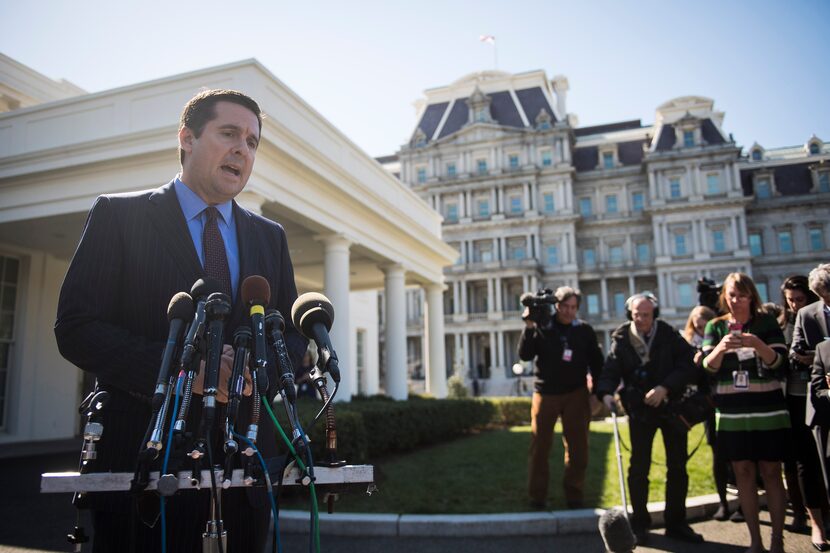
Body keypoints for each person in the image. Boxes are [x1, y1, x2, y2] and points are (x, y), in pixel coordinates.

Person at [55, 89, 307, 552]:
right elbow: (76, 327)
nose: (242, 149)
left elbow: (291, 335)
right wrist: (182, 371)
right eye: (229, 133)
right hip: (143, 471)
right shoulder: (118, 216)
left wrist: (261, 372)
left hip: (245, 474)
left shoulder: (269, 237)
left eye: (252, 142)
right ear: (186, 138)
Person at [596, 292, 702, 545]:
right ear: (629, 314)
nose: (641, 319)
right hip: (641, 411)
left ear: (654, 313)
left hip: (671, 406)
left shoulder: (668, 334)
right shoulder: (621, 339)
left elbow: (688, 364)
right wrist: (606, 393)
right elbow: (610, 370)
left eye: (646, 314)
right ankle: (640, 524)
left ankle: (676, 523)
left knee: (677, 465)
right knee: (638, 467)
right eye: (636, 315)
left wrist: (665, 387)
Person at [702, 272, 789, 553]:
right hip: (732, 412)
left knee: (772, 471)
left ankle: (777, 539)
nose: (736, 300)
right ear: (724, 298)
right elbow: (707, 368)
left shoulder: (766, 323)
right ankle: (755, 541)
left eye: (741, 294)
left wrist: (758, 345)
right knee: (743, 473)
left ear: (752, 295)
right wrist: (720, 348)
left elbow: (780, 364)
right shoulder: (716, 327)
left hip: (768, 408)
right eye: (731, 295)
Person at [518, 286, 604, 510]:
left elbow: (597, 363)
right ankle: (537, 497)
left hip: (575, 393)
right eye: (564, 306)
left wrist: (598, 393)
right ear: (556, 306)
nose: (568, 312)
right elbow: (525, 355)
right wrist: (529, 326)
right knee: (540, 447)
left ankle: (574, 495)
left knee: (578, 448)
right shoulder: (543, 326)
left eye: (573, 307)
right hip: (545, 393)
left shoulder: (584, 330)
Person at [780, 275, 826, 544]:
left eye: (800, 299)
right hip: (796, 399)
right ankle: (811, 518)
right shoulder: (783, 325)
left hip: (822, 395)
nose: (796, 305)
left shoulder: (818, 319)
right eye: (791, 301)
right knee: (802, 462)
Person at [683, 305, 731, 521]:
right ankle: (724, 503)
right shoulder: (690, 345)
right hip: (708, 405)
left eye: (703, 326)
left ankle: (740, 502)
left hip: (729, 401)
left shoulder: (722, 338)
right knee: (718, 454)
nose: (700, 331)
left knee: (736, 454)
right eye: (696, 327)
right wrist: (694, 365)